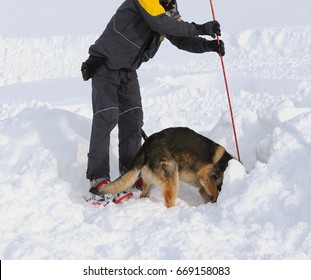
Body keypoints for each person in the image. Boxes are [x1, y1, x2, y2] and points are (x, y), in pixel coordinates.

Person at [81, 0, 225, 205]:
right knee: (107, 117)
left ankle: (129, 173)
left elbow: (179, 37)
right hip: (105, 65)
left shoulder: (168, 7)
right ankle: (98, 179)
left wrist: (208, 45)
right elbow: (162, 24)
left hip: (127, 70)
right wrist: (201, 27)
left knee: (133, 120)